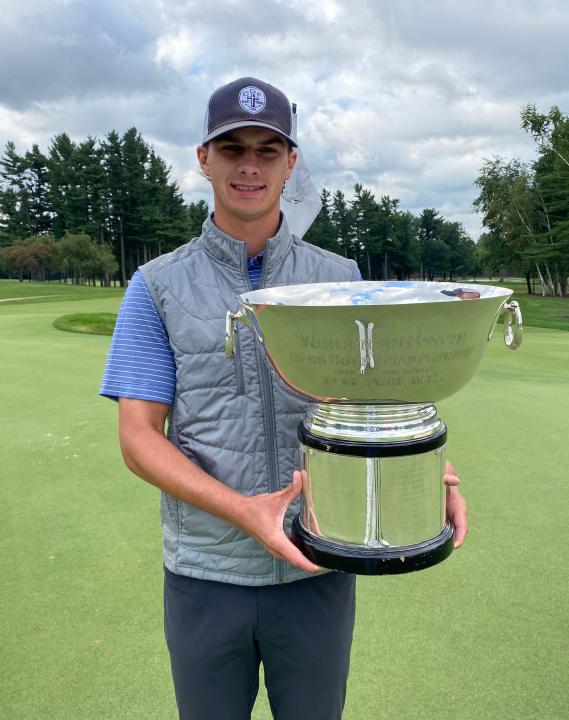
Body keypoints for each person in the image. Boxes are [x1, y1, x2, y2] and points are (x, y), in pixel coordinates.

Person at [99, 77, 468, 720]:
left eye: (268, 149)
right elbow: (137, 438)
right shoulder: (155, 285)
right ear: (203, 159)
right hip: (205, 574)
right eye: (232, 148)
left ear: (290, 163)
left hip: (317, 565)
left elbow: (373, 408)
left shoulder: (340, 278)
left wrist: (429, 473)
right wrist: (244, 512)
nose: (249, 165)